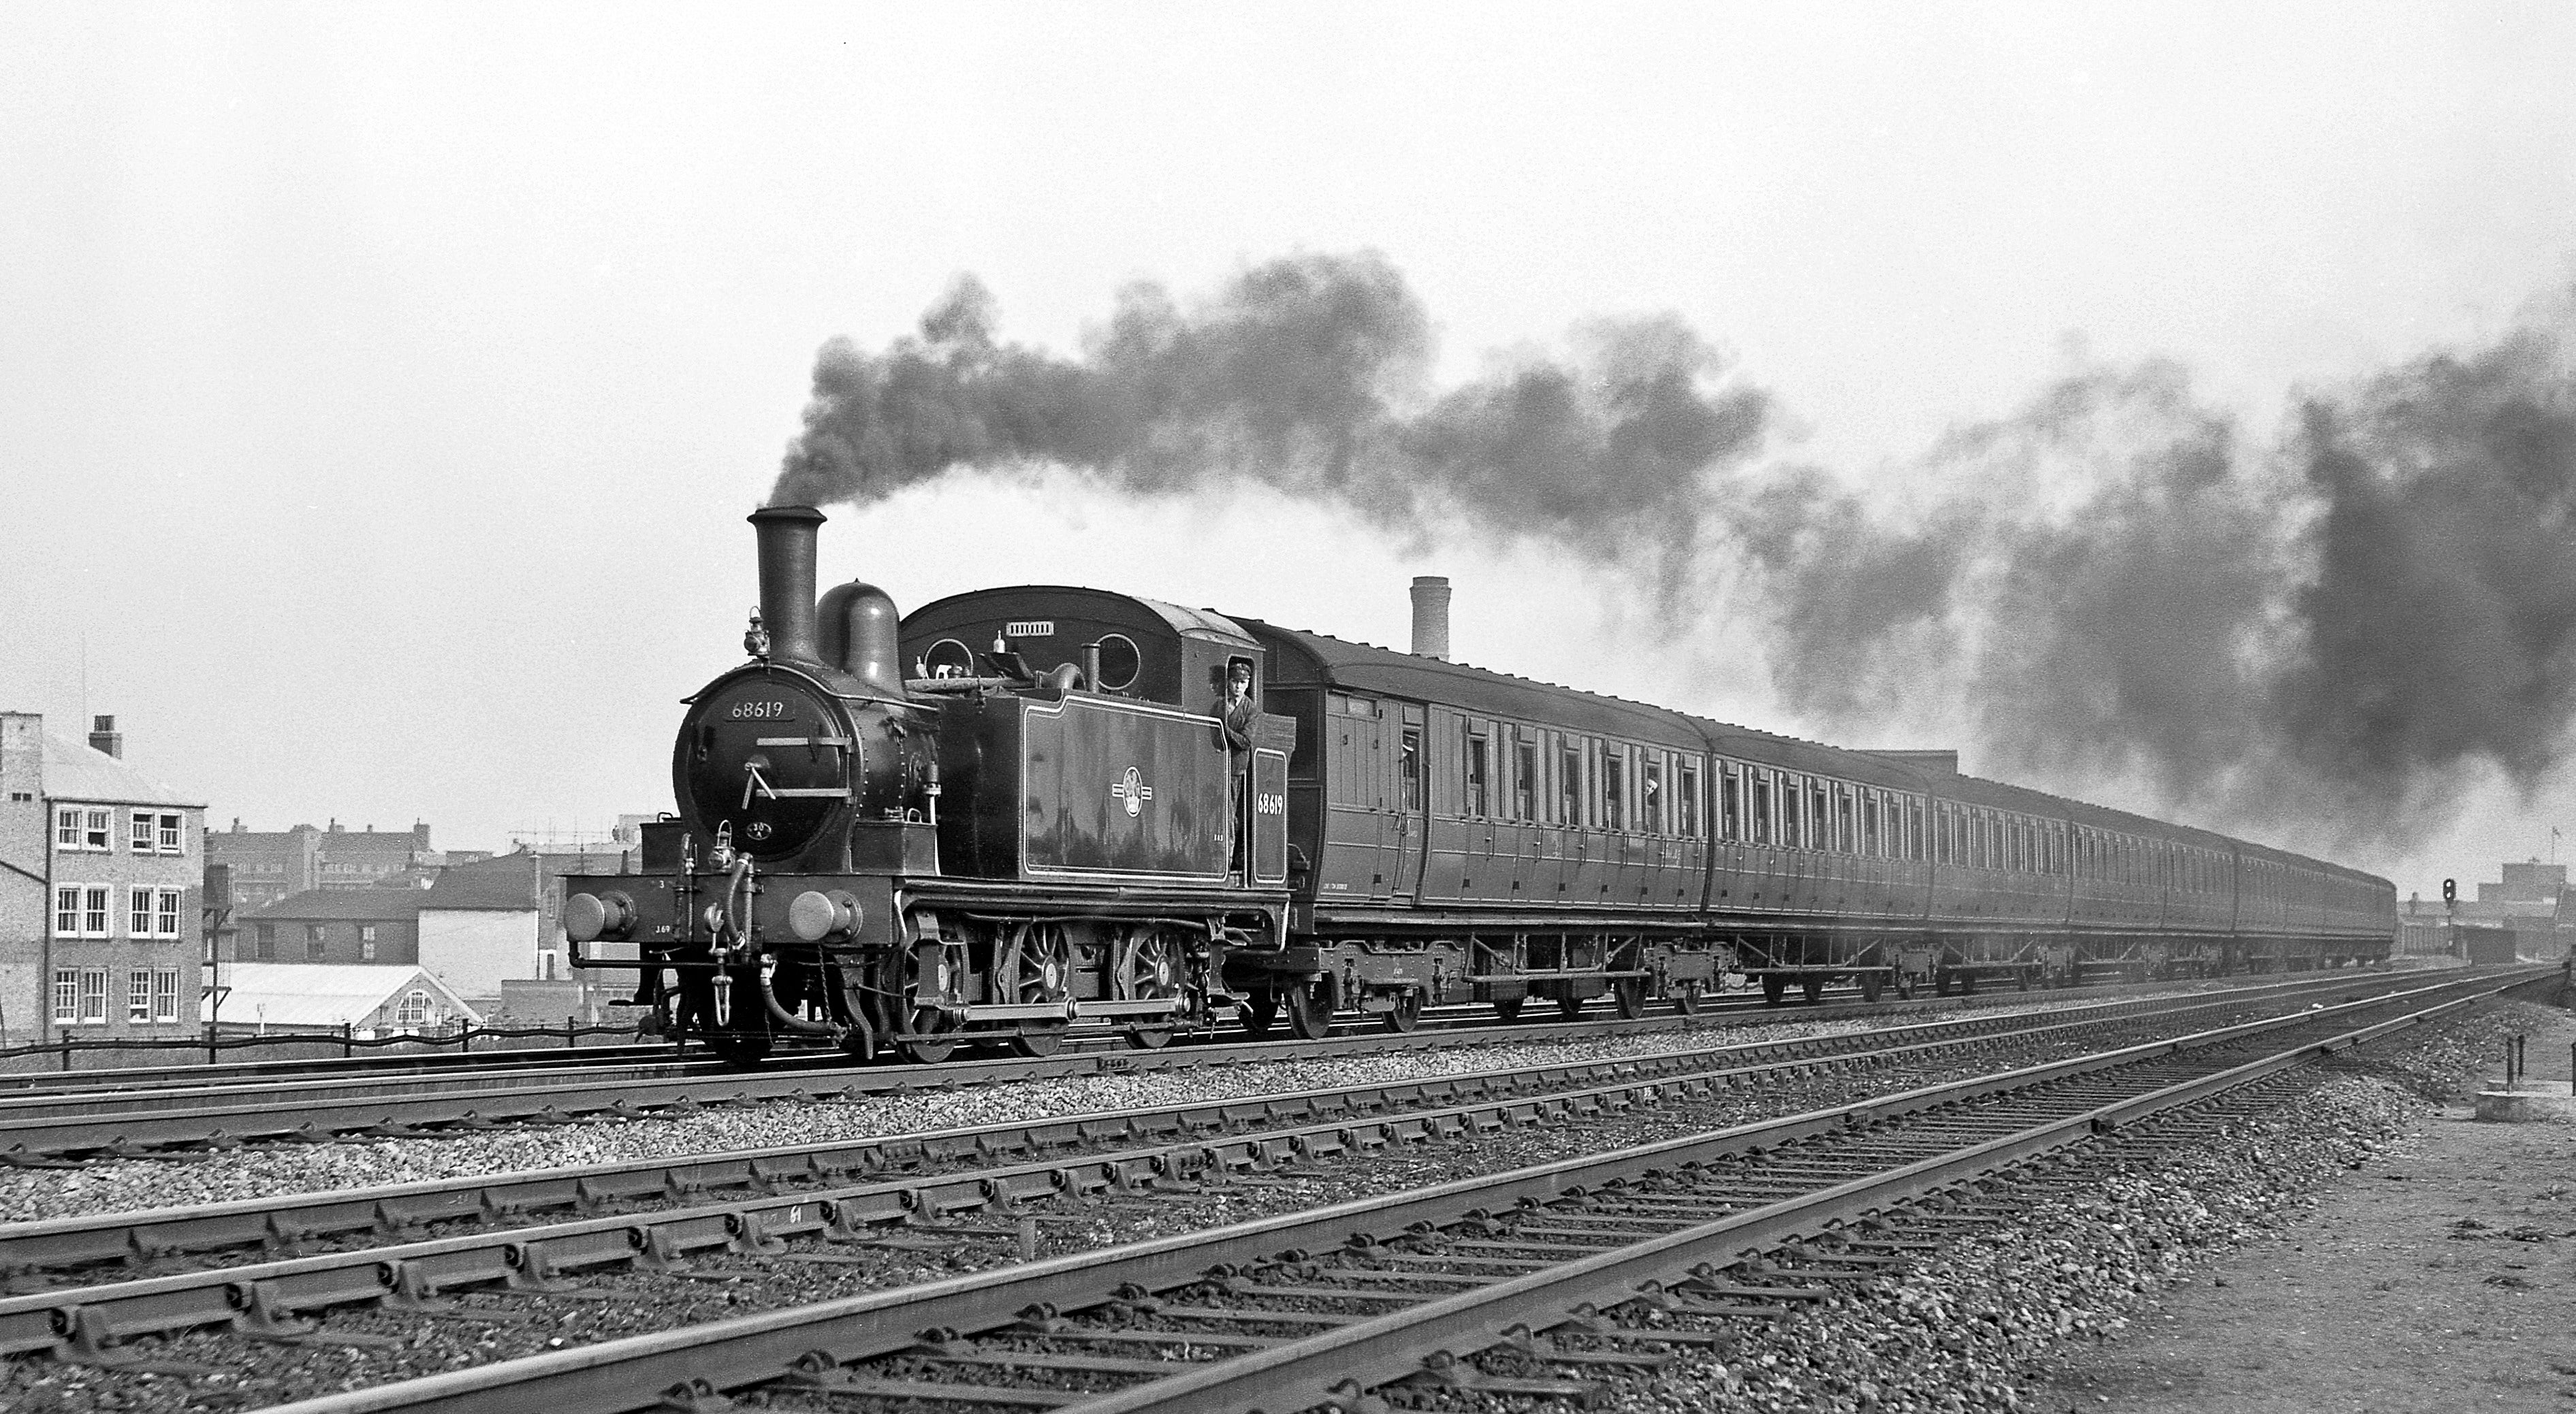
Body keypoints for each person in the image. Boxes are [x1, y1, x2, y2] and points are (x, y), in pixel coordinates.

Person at [1218, 660, 1257, 871]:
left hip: (1235, 768)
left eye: (1243, 682)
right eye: (1235, 682)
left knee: (1231, 812)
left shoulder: (1251, 710)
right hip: (1216, 764)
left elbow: (1245, 741)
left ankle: (1229, 856)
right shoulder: (1220, 704)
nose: (1238, 686)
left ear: (1248, 683)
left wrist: (1225, 730)